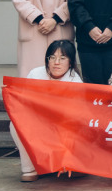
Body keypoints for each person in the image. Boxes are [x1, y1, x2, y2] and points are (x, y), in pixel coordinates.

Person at [10, 39, 81, 181]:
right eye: (52, 57)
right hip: (38, 121)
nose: (56, 62)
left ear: (70, 62)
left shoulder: (75, 81)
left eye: (62, 58)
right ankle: (30, 169)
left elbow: (76, 114)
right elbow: (25, 101)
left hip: (62, 124)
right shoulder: (36, 74)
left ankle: (67, 164)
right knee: (15, 124)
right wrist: (10, 91)